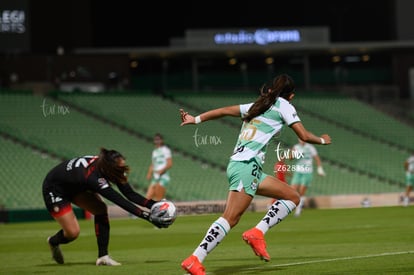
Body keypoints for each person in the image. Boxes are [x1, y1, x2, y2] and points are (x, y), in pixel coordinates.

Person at [179, 73, 331, 275]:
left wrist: (195, 119)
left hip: (249, 168)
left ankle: (257, 232)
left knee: (292, 196)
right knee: (230, 218)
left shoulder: (256, 106)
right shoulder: (284, 105)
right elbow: (303, 135)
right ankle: (195, 258)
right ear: (291, 96)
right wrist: (322, 140)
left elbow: (224, 110)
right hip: (245, 166)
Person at [42, 148, 173, 266]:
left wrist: (154, 204)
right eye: (120, 168)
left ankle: (103, 257)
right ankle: (53, 242)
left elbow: (130, 194)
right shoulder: (94, 177)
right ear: (109, 169)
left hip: (75, 186)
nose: (123, 171)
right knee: (73, 233)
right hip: (55, 188)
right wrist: (148, 217)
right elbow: (120, 201)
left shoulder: (110, 167)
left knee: (100, 209)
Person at [289, 138, 326, 216]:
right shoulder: (296, 147)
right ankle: (290, 208)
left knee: (302, 191)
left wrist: (320, 169)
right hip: (298, 170)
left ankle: (298, 210)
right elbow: (290, 158)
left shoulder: (310, 147)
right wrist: (294, 154)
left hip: (307, 171)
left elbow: (317, 158)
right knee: (293, 190)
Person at [146, 133, 173, 201]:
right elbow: (153, 164)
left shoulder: (165, 150)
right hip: (155, 177)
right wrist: (149, 173)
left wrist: (161, 171)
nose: (157, 141)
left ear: (162, 140)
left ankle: (163, 210)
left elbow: (169, 163)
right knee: (148, 197)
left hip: (163, 176)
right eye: (156, 140)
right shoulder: (154, 152)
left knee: (159, 197)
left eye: (158, 139)